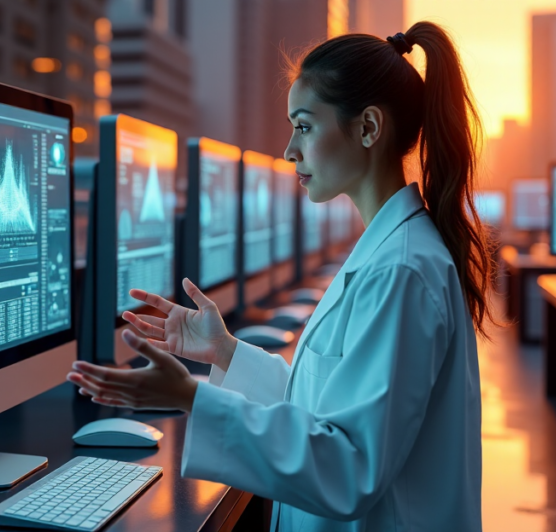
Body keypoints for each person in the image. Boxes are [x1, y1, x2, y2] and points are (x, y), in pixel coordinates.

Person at [67, 22, 497, 532]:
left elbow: (350, 469)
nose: (290, 149)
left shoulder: (401, 270)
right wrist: (225, 351)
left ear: (368, 128)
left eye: (304, 126)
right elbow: (322, 406)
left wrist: (190, 397)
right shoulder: (391, 252)